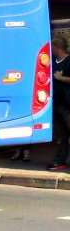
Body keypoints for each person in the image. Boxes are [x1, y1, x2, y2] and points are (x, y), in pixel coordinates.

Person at [48, 35, 70, 171]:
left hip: (68, 104)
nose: (51, 50)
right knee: (61, 135)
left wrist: (61, 78)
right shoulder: (52, 62)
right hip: (55, 104)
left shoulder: (69, 61)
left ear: (57, 47)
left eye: (52, 47)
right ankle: (59, 160)